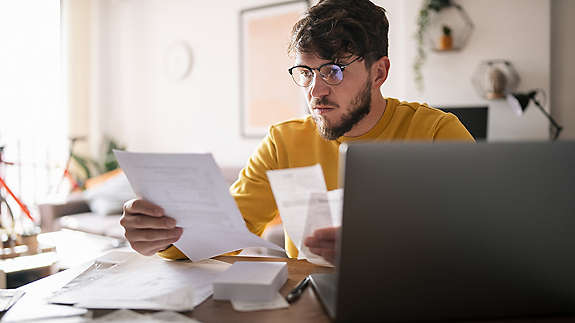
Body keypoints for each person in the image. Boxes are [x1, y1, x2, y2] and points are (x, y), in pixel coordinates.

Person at [120, 0, 474, 265]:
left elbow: (482, 242)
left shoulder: (435, 133)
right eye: (306, 72)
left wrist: (388, 246)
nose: (315, 91)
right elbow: (223, 233)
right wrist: (161, 236)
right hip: (308, 306)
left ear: (378, 73)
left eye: (333, 71)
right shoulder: (283, 142)